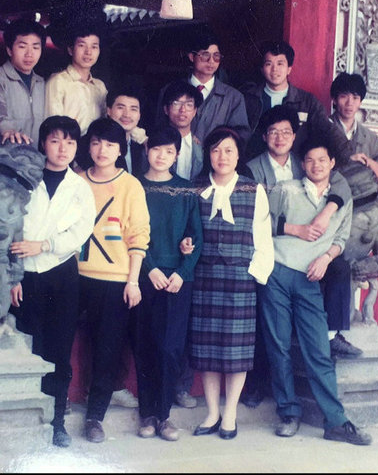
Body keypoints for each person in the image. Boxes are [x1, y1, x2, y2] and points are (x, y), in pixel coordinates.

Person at [260, 131, 372, 445]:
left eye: (322, 160)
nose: (316, 165)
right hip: (277, 272)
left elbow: (341, 239)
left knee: (319, 350)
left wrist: (326, 257)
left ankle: (335, 422)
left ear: (332, 163)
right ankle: (288, 413)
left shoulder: (341, 200)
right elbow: (262, 223)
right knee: (279, 346)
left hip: (310, 277)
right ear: (303, 164)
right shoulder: (287, 190)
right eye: (309, 160)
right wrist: (294, 230)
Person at [242, 106, 355, 407]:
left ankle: (333, 334)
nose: (280, 138)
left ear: (294, 136)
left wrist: (328, 211)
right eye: (273, 132)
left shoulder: (304, 161)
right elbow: (254, 218)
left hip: (311, 263)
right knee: (272, 334)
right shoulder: (254, 169)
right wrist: (297, 229)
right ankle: (264, 390)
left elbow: (339, 183)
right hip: (274, 256)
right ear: (264, 136)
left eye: (286, 132)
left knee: (340, 269)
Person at [8, 116, 96, 448]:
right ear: (43, 143)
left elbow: (80, 232)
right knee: (25, 348)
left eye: (70, 142)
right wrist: (12, 275)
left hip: (61, 275)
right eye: (56, 141)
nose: (63, 149)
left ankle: (56, 422)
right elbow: (9, 225)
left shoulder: (80, 188)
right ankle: (22, 421)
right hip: (24, 276)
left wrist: (44, 245)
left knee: (58, 350)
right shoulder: (24, 179)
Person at [190, 127, 273, 440]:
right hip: (204, 279)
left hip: (240, 279)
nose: (222, 157)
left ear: (239, 155)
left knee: (236, 351)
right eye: (215, 150)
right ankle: (212, 412)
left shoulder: (254, 190)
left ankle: (230, 413)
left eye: (228, 150)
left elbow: (263, 238)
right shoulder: (196, 188)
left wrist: (254, 274)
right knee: (208, 350)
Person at [77, 118, 150, 443]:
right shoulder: (77, 181)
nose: (102, 150)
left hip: (115, 280)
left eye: (109, 144)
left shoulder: (130, 185)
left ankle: (95, 417)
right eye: (96, 143)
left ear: (121, 150)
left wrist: (132, 281)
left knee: (106, 350)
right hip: (76, 276)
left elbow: (139, 235)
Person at [133, 127, 203, 441]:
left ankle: (164, 416)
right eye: (156, 149)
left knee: (170, 347)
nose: (162, 156)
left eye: (169, 151)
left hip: (176, 281)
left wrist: (183, 272)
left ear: (176, 155)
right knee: (145, 344)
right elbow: (130, 232)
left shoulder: (186, 190)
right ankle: (147, 414)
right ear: (147, 150)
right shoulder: (135, 186)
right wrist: (149, 269)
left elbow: (196, 236)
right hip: (144, 276)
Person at [241, 40, 345, 160]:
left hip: (295, 165)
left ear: (289, 69)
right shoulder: (248, 99)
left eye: (280, 64)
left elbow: (327, 129)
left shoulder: (307, 101)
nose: (274, 69)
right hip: (256, 162)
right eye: (269, 64)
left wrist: (348, 154)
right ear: (262, 69)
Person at [157, 31, 250, 145]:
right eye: (205, 55)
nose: (211, 61)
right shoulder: (169, 91)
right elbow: (159, 128)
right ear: (192, 57)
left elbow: (241, 136)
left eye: (216, 56)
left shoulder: (233, 97)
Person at [329, 72, 378, 221]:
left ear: (360, 102)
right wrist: (361, 160)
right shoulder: (324, 129)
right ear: (334, 99)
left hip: (365, 201)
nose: (350, 103)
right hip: (335, 202)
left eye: (355, 98)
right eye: (344, 96)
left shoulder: (370, 137)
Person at [0, 18, 46, 147]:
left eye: (35, 47)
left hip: (31, 156)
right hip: (1, 155)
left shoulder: (41, 83)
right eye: (22, 47)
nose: (29, 54)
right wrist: (7, 129)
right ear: (9, 50)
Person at [45, 24, 107, 135]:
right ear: (70, 50)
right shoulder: (58, 82)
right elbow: (53, 126)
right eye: (82, 45)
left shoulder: (100, 86)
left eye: (94, 47)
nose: (88, 52)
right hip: (67, 144)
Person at [160, 80, 204, 182]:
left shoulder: (201, 148)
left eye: (189, 105)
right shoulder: (154, 146)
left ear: (195, 111)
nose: (183, 110)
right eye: (176, 103)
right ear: (166, 109)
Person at [105, 86, 148, 177]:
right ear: (109, 111)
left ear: (139, 115)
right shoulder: (98, 147)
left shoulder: (142, 148)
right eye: (120, 107)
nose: (127, 115)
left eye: (133, 109)